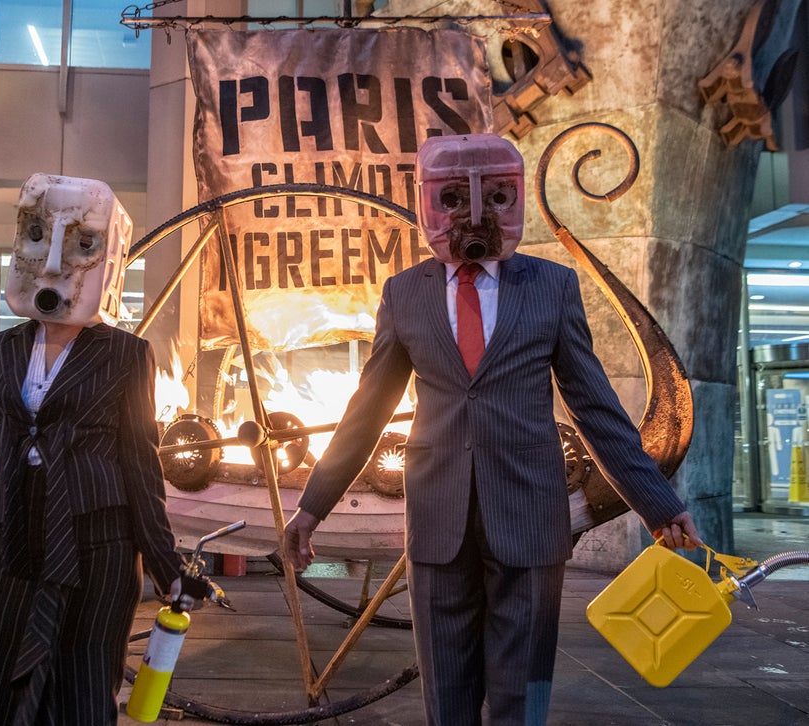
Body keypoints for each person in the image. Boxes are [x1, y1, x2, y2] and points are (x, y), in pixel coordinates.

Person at [283, 134, 702, 726]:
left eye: (495, 197)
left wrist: (658, 503)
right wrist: (312, 506)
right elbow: (367, 411)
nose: (472, 216)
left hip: (530, 515)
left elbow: (595, 409)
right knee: (446, 690)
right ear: (430, 202)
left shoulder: (553, 287)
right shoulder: (404, 293)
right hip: (438, 517)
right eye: (452, 199)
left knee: (522, 690)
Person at [0, 174, 209, 725]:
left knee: (77, 697)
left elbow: (140, 466)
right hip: (5, 543)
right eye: (37, 235)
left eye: (83, 244)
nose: (55, 261)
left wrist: (166, 565)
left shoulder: (126, 355)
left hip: (96, 550)